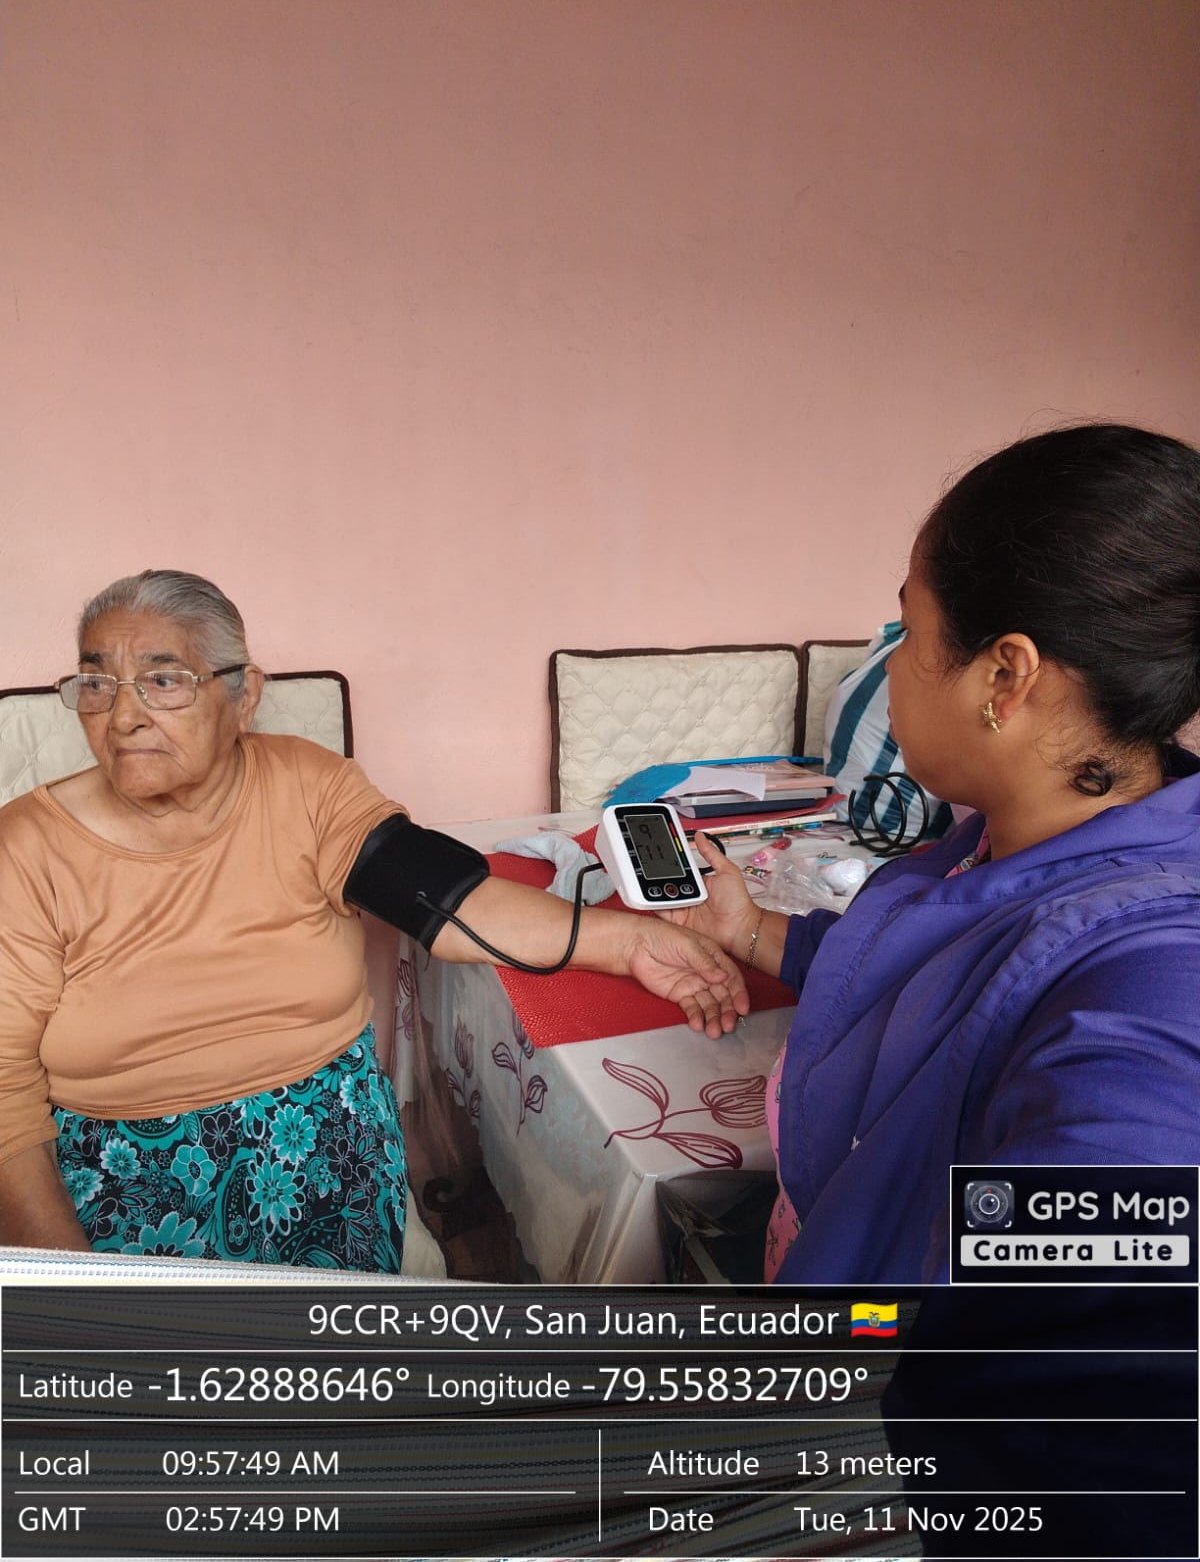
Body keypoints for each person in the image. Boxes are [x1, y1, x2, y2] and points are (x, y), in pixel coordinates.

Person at [0, 570, 747, 1269]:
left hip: (320, 1132)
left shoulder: (307, 785)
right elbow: (5, 1101)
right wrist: (71, 1288)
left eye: (163, 681)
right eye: (97, 684)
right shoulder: (26, 848)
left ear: (243, 694)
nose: (123, 716)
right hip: (122, 1166)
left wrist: (631, 941)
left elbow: (451, 901)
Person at [673, 422, 1200, 1282]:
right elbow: (927, 970)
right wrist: (753, 930)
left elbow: (1111, 1268)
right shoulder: (1012, 838)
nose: (890, 668)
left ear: (1006, 678)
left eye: (910, 631)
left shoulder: (1153, 971)